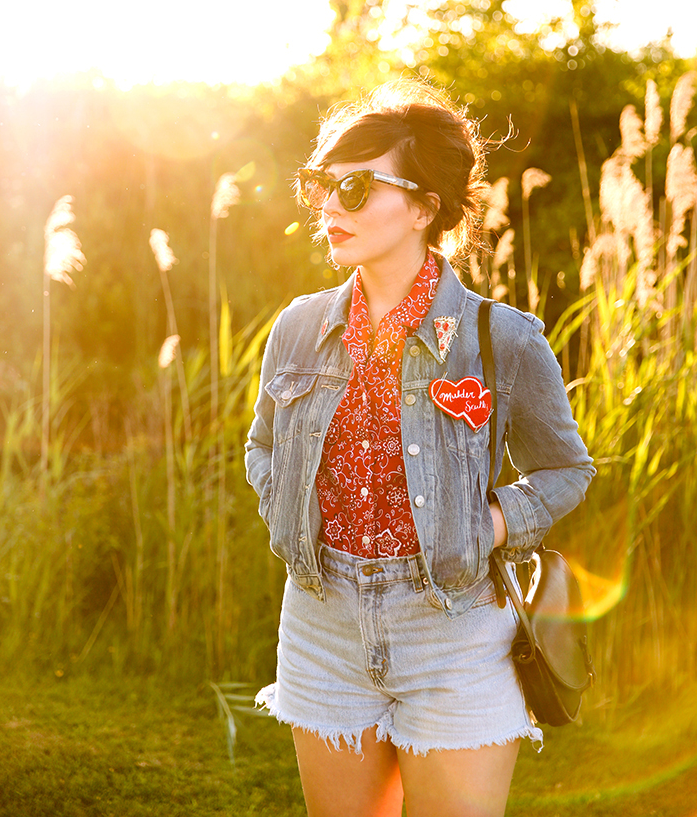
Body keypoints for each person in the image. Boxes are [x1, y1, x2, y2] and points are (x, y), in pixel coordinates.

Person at [245, 81, 594, 817]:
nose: (328, 208)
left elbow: (566, 470)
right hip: (321, 624)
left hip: (454, 630)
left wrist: (487, 527)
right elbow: (263, 447)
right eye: (321, 187)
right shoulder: (299, 327)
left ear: (424, 207)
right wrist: (290, 516)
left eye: (355, 187)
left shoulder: (502, 338)